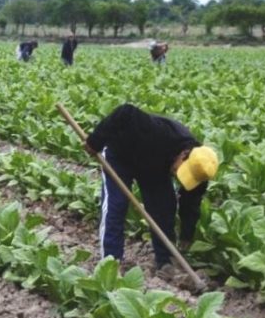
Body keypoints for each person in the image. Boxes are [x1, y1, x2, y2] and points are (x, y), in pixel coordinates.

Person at [84, 104, 218, 277]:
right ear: (184, 154)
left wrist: (186, 235)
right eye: (181, 171)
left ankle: (165, 261)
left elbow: (190, 204)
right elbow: (125, 111)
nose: (179, 176)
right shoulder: (157, 132)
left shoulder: (201, 169)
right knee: (116, 205)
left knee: (164, 209)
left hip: (155, 166)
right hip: (121, 154)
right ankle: (110, 264)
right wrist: (95, 141)